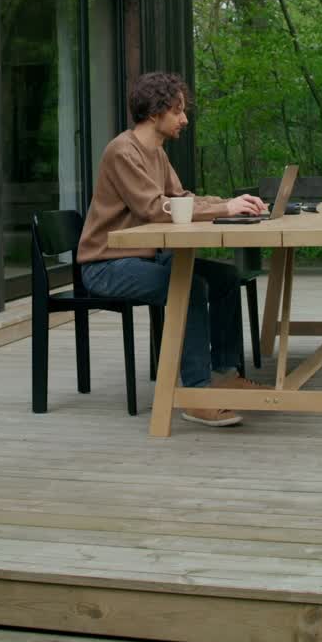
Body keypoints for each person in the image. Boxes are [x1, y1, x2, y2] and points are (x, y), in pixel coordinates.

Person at [78, 71, 265, 427]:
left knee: (225, 277)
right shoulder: (123, 152)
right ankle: (195, 393)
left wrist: (233, 202)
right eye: (178, 110)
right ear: (155, 113)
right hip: (107, 264)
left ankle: (224, 372)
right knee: (189, 287)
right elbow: (155, 209)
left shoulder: (157, 154)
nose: (184, 119)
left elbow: (180, 200)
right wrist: (224, 209)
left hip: (147, 256)